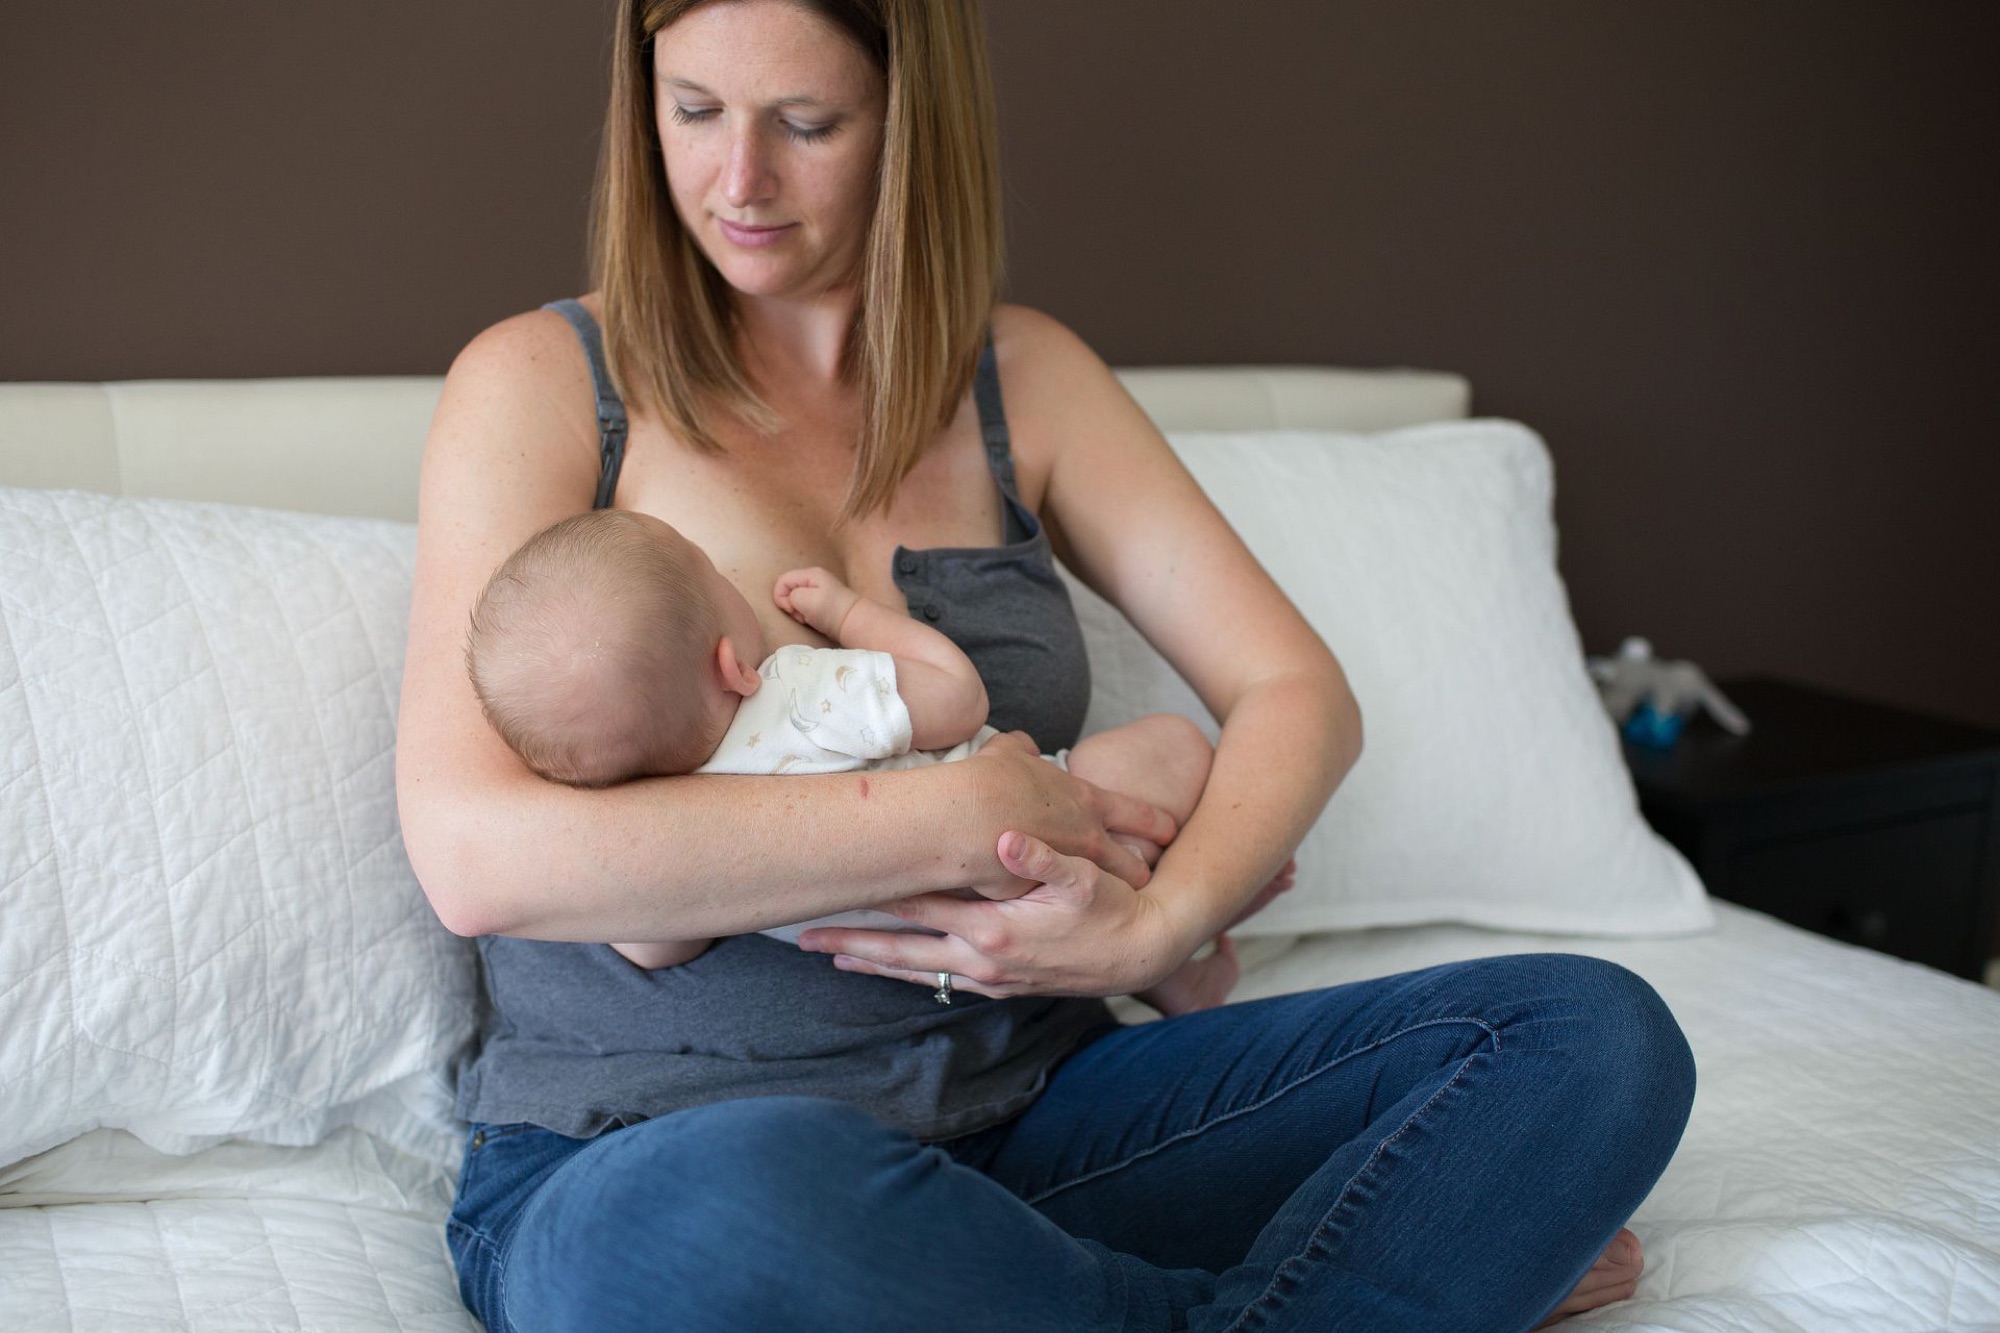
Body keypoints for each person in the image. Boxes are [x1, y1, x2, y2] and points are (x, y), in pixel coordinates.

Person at [393, 0, 1695, 1328]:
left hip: (1046, 1128)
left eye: (807, 122)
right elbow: (476, 859)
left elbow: (1296, 692)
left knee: (1589, 1040)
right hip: (662, 1144)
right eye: (694, 111)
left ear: (912, 123)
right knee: (728, 1203)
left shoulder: (1026, 378)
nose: (741, 180)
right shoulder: (548, 382)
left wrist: (1158, 920)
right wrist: (961, 810)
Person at [461, 506, 1249, 1014]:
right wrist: (848, 613)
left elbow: (656, 944)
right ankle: (1180, 934)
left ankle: (1171, 965)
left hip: (944, 941)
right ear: (733, 664)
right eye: (716, 577)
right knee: (1172, 747)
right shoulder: (798, 690)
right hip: (1032, 852)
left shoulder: (664, 844)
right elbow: (956, 700)